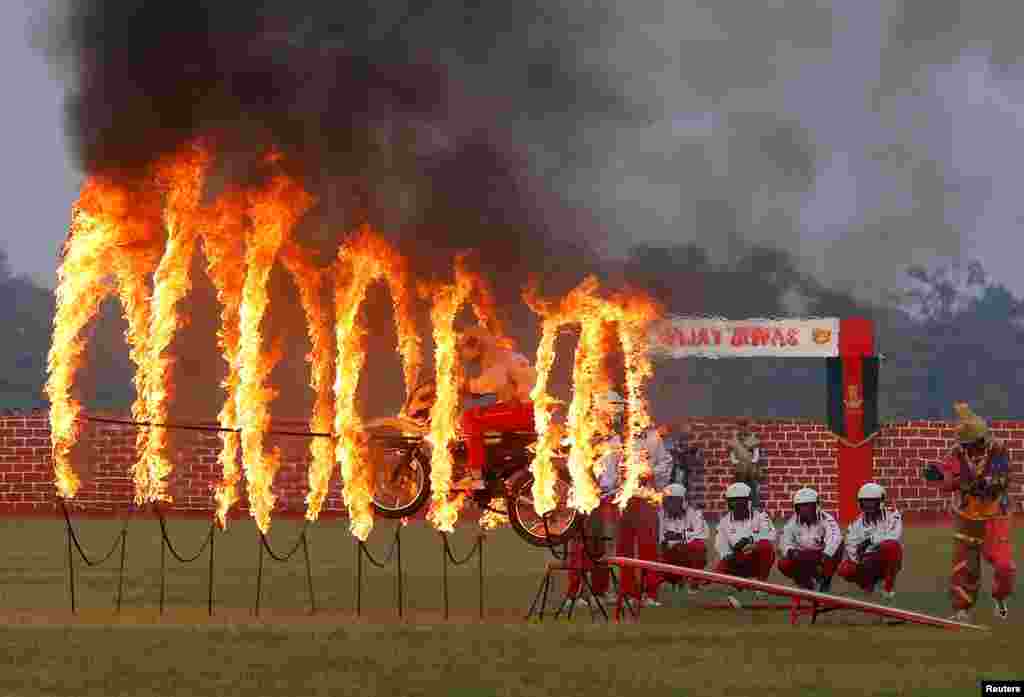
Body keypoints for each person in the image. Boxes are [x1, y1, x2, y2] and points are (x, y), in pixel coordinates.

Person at [922, 402, 1016, 622]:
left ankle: (1000, 596)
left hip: (995, 516)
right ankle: (961, 608)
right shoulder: (958, 452)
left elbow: (998, 481)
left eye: (979, 441)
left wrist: (967, 483)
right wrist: (936, 475)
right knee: (964, 566)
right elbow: (948, 476)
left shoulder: (998, 449)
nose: (977, 446)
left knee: (1004, 565)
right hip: (967, 516)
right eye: (972, 443)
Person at [456, 326, 538, 490]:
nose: (462, 355)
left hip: (523, 410)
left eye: (463, 349)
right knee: (482, 415)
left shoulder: (497, 357)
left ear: (477, 346)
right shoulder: (508, 355)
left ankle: (476, 476)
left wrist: (464, 385)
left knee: (470, 418)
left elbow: (493, 381)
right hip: (530, 408)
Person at [564, 391, 625, 608]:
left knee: (603, 548)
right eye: (615, 410)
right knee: (581, 547)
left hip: (607, 499)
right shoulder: (585, 436)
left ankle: (600, 591)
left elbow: (618, 470)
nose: (618, 416)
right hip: (586, 500)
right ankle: (575, 594)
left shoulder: (616, 439)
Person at [616, 403, 674, 608]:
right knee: (624, 548)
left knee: (648, 546)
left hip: (645, 499)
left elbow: (666, 464)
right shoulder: (615, 438)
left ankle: (650, 592)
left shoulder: (652, 438)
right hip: (621, 500)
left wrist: (651, 473)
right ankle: (628, 592)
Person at [714, 482, 777, 608]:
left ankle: (761, 585)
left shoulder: (761, 517)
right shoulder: (724, 522)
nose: (736, 504)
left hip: (755, 559)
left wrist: (750, 540)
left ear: (748, 501)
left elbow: (771, 535)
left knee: (766, 547)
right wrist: (728, 554)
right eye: (733, 501)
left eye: (740, 501)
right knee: (718, 570)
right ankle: (735, 588)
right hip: (737, 559)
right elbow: (720, 544)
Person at [837, 482, 903, 601]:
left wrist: (869, 541)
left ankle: (887, 588)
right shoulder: (856, 524)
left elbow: (893, 536)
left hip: (885, 557)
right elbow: (851, 547)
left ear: (881, 501)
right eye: (865, 502)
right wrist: (861, 560)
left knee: (892, 546)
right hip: (867, 560)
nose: (868, 505)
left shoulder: (892, 514)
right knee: (844, 568)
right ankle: (867, 584)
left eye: (872, 502)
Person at [778, 487, 843, 593]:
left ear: (816, 506)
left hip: (822, 555)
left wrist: (824, 557)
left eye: (808, 506)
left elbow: (835, 537)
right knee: (783, 564)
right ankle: (807, 584)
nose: (804, 509)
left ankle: (825, 580)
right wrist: (790, 551)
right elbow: (784, 540)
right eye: (801, 506)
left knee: (838, 546)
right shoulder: (792, 522)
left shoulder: (826, 519)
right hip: (803, 555)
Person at [656, 483, 709, 595]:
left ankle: (694, 581)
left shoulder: (695, 514)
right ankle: (666, 581)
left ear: (683, 501)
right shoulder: (659, 515)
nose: (670, 504)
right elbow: (659, 539)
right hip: (668, 555)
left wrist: (679, 537)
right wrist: (667, 541)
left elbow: (702, 534)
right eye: (668, 500)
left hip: (686, 555)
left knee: (699, 547)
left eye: (673, 501)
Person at [729, 419, 765, 509]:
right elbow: (732, 454)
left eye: (744, 426)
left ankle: (754, 507)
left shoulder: (752, 439)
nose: (742, 428)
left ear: (747, 427)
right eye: (740, 426)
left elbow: (756, 455)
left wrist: (752, 462)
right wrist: (736, 463)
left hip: (751, 469)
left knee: (752, 488)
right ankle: (740, 507)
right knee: (739, 489)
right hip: (740, 468)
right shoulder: (734, 440)